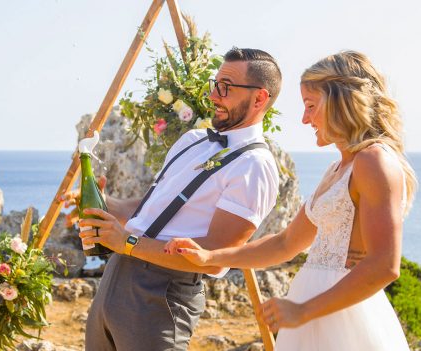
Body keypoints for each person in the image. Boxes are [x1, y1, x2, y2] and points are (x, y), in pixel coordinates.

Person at [164, 51, 417, 351]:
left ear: (341, 101)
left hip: (343, 321)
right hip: (311, 314)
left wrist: (303, 310)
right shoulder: (336, 170)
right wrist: (211, 257)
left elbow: (384, 265)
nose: (304, 119)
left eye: (311, 106)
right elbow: (285, 243)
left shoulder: (373, 160)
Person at [62, 48, 282, 350]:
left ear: (260, 98)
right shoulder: (193, 140)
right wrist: (104, 203)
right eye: (214, 84)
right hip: (114, 282)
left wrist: (126, 242)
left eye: (226, 88)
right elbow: (151, 210)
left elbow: (214, 256)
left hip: (162, 294)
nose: (214, 96)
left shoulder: (255, 166)